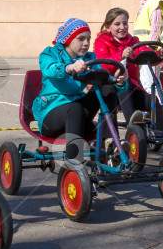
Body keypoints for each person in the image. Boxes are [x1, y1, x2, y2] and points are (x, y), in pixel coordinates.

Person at [33, 18, 127, 162]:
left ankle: (110, 142)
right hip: (50, 113)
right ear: (68, 40)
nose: (86, 44)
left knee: (106, 87)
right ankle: (74, 160)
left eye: (88, 39)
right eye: (81, 39)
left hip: (77, 113)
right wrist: (69, 68)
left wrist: (117, 81)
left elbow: (102, 80)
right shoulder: (50, 54)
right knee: (75, 108)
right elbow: (49, 70)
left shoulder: (90, 58)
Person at [93, 8, 163, 134]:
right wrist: (121, 55)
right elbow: (103, 65)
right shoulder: (101, 42)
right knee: (125, 78)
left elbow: (146, 53)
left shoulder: (133, 41)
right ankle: (133, 127)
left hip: (132, 89)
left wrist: (161, 53)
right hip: (110, 90)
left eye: (125, 23)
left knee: (152, 100)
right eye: (117, 24)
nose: (122, 27)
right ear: (107, 27)